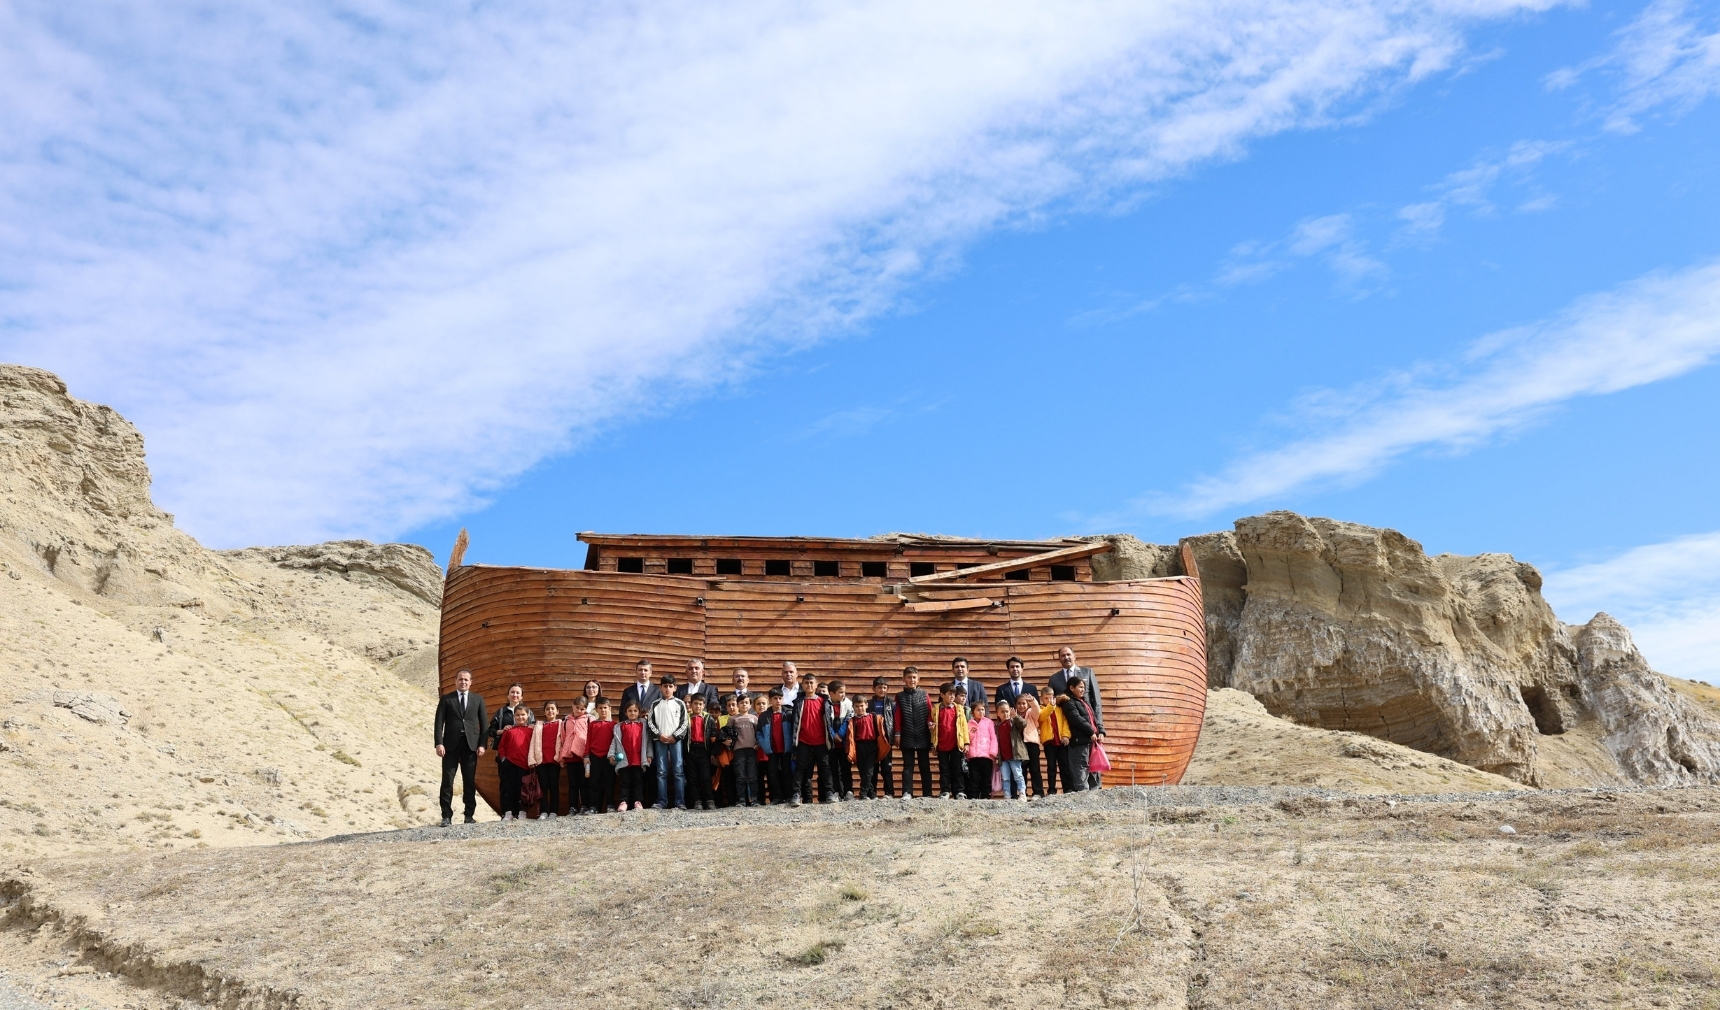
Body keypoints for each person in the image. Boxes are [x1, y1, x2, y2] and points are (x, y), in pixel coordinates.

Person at [433, 668, 486, 826]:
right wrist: (438, 743)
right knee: (447, 781)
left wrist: (482, 744)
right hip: (450, 746)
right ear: (455, 681)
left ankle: (469, 815)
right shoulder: (446, 699)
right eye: (460, 679)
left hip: (470, 746)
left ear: (471, 682)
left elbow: (484, 725)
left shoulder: (478, 699)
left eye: (466, 679)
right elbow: (438, 723)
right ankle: (446, 816)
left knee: (469, 781)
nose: (463, 682)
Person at [791, 672, 838, 804]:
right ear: (802, 685)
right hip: (803, 740)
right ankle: (796, 794)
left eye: (812, 683)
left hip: (821, 740)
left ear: (816, 685)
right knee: (800, 767)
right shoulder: (798, 701)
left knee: (825, 767)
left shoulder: (824, 701)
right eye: (806, 683)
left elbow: (830, 721)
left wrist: (831, 737)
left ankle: (829, 792)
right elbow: (795, 723)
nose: (809, 685)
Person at [647, 675, 690, 810]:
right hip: (660, 741)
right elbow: (650, 722)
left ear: (675, 688)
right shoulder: (655, 704)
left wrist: (675, 736)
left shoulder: (680, 703)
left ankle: (680, 802)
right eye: (665, 686)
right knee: (661, 771)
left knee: (678, 770)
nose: (667, 689)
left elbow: (684, 723)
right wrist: (659, 735)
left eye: (670, 686)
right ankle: (662, 801)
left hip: (675, 741)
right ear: (660, 688)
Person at [1049, 647, 1104, 747]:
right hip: (1065, 731)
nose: (1066, 657)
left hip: (1087, 729)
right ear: (1059, 659)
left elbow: (1097, 702)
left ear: (1074, 656)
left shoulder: (1088, 673)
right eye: (1063, 655)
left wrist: (1099, 728)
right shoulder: (1054, 679)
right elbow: (1052, 706)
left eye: (1068, 654)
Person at [894, 667, 932, 798]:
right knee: (908, 765)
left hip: (923, 734)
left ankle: (927, 794)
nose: (912, 680)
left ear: (918, 679)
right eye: (909, 677)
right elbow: (897, 716)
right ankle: (907, 792)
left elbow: (930, 713)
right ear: (904, 679)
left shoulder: (924, 694)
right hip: (907, 734)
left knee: (925, 766)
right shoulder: (899, 696)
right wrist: (897, 733)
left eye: (914, 677)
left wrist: (930, 726)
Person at [1060, 677, 1100, 792]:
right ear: (1072, 688)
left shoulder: (1083, 701)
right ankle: (1083, 793)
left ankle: (1093, 792)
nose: (1083, 690)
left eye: (1084, 687)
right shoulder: (1068, 702)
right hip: (1079, 741)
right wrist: (1091, 732)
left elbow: (1093, 718)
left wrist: (1100, 732)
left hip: (1090, 740)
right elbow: (1076, 719)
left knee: (1092, 766)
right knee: (1080, 766)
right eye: (1080, 687)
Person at [930, 683, 969, 799]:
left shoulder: (959, 709)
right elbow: (933, 729)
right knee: (944, 769)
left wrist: (966, 743)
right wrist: (933, 744)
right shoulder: (936, 710)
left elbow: (964, 727)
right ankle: (945, 791)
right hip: (942, 745)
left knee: (957, 769)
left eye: (954, 694)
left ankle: (959, 791)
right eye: (949, 694)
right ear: (942, 695)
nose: (952, 697)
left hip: (956, 745)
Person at [609, 699, 650, 811]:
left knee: (638, 781)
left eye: (635, 710)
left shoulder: (643, 725)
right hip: (624, 759)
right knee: (624, 782)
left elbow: (648, 742)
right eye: (630, 711)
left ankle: (638, 801)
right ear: (625, 712)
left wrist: (649, 755)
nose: (632, 713)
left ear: (639, 712)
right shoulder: (620, 726)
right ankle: (624, 802)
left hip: (638, 758)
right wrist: (611, 754)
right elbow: (615, 741)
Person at [683, 695, 721, 811]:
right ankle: (696, 801)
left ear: (704, 705)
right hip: (690, 751)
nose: (698, 706)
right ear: (691, 705)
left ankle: (709, 800)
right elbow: (683, 737)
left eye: (700, 704)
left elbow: (713, 736)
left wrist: (714, 754)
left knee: (705, 777)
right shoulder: (686, 718)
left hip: (704, 751)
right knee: (692, 777)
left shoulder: (708, 718)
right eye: (695, 703)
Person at [757, 688, 795, 804]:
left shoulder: (789, 713)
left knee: (787, 773)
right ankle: (777, 797)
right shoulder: (764, 716)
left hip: (786, 749)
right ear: (770, 700)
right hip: (771, 749)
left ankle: (788, 796)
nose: (778, 701)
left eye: (780, 698)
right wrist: (764, 745)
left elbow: (794, 729)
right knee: (772, 774)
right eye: (775, 698)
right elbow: (759, 732)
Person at [497, 705, 533, 821]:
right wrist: (503, 759)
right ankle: (508, 812)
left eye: (523, 715)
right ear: (514, 716)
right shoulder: (509, 730)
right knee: (509, 788)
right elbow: (501, 746)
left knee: (523, 789)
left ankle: (522, 811)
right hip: (510, 764)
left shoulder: (531, 730)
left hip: (524, 764)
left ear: (528, 716)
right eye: (517, 715)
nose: (520, 717)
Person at [557, 698, 591, 814]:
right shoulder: (566, 720)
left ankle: (585, 805)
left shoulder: (589, 719)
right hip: (570, 757)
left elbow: (591, 737)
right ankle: (572, 807)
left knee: (584, 782)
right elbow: (562, 738)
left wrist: (589, 755)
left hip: (584, 757)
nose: (579, 710)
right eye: (577, 707)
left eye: (582, 709)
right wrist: (562, 757)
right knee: (573, 784)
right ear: (572, 706)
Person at [584, 698, 617, 814]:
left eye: (605, 708)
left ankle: (610, 805)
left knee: (609, 782)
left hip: (608, 757)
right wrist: (586, 756)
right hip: (594, 756)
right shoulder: (592, 725)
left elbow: (617, 742)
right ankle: (594, 807)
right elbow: (588, 740)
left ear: (609, 709)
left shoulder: (614, 725)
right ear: (596, 709)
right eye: (600, 708)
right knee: (594, 782)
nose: (603, 710)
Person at [865, 676, 895, 800]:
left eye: (884, 687)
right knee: (873, 768)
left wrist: (895, 736)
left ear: (887, 689)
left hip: (886, 740)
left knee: (887, 768)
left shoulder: (892, 703)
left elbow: (895, 721)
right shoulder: (868, 703)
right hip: (872, 740)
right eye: (879, 687)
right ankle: (872, 794)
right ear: (873, 688)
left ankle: (889, 793)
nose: (882, 690)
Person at [1040, 682, 1071, 795]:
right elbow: (1042, 716)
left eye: (1051, 697)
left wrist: (1066, 735)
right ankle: (1052, 790)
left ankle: (1067, 788)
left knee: (1064, 766)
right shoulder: (1041, 708)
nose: (1049, 699)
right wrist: (1050, 706)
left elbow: (1065, 722)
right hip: (1049, 742)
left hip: (1061, 741)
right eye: (1046, 698)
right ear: (1042, 699)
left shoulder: (1059, 709)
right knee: (1051, 766)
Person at [730, 693, 761, 807]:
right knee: (741, 776)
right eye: (741, 702)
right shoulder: (733, 719)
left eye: (746, 702)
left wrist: (757, 744)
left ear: (750, 705)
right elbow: (729, 735)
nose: (744, 704)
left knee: (752, 776)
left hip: (752, 750)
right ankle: (741, 799)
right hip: (739, 751)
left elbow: (758, 733)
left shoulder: (754, 718)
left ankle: (754, 799)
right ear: (738, 705)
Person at [535, 702, 563, 818]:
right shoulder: (539, 725)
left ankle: (553, 811)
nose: (550, 711)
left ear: (557, 711)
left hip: (554, 760)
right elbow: (534, 742)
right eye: (547, 709)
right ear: (544, 712)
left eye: (552, 709)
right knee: (543, 787)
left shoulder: (561, 724)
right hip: (541, 760)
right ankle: (544, 811)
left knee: (554, 786)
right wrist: (533, 759)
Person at [965, 700, 997, 800]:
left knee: (986, 778)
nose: (981, 712)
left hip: (987, 756)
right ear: (972, 712)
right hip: (973, 756)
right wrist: (971, 733)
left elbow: (993, 738)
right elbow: (966, 739)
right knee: (974, 778)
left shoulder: (989, 723)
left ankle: (985, 797)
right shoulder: (969, 723)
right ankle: (973, 797)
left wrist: (993, 752)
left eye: (983, 710)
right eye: (978, 710)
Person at [828, 680, 854, 800]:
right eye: (840, 692)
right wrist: (833, 735)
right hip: (831, 744)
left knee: (846, 768)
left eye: (844, 692)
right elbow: (826, 722)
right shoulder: (826, 705)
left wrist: (840, 734)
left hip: (844, 743)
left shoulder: (849, 704)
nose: (843, 694)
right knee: (834, 769)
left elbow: (848, 719)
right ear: (831, 694)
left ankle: (848, 791)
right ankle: (837, 792)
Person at [997, 700, 1026, 801]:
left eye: (1007, 711)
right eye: (1002, 712)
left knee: (1018, 775)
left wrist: (1016, 717)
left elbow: (1023, 724)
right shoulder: (997, 726)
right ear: (998, 714)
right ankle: (1007, 795)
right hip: (1003, 757)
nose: (1005, 714)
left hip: (1014, 755)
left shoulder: (1013, 722)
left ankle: (1022, 793)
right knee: (1005, 777)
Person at [1016, 694, 1043, 798]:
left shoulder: (1030, 713)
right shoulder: (1014, 714)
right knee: (1022, 770)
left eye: (1023, 703)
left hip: (1031, 744)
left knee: (1034, 769)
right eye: (1019, 703)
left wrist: (1032, 701)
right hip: (1020, 746)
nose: (1021, 706)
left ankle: (1038, 792)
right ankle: (1023, 793)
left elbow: (1037, 710)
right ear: (1015, 704)